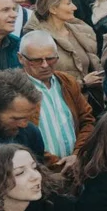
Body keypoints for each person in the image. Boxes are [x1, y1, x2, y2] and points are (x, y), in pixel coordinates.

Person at [18, 31, 95, 164]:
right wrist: (56, 164)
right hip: (40, 170)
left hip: (76, 167)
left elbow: (87, 121)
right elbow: (18, 136)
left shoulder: (67, 82)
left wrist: (77, 155)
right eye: (36, 60)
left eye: (50, 59)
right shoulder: (14, 90)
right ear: (21, 58)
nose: (45, 65)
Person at [22, 0, 102, 87]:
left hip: (85, 98)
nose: (75, 7)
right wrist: (82, 83)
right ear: (53, 9)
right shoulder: (37, 37)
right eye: (68, 4)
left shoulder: (80, 31)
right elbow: (39, 79)